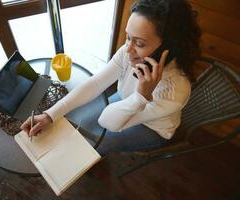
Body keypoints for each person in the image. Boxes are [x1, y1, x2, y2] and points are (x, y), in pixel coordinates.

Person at [21, 0, 201, 155]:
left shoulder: (175, 90)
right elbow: (96, 83)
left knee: (97, 143)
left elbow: (106, 122)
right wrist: (49, 115)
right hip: (126, 101)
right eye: (128, 37)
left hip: (152, 127)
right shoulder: (129, 50)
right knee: (79, 121)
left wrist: (141, 97)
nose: (128, 49)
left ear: (168, 46)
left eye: (139, 43)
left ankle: (90, 161)